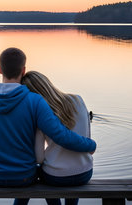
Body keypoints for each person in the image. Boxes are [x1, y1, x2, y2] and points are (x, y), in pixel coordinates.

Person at [0, 48, 96, 205]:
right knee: (34, 173)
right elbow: (59, 134)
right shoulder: (35, 101)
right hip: (24, 176)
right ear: (23, 71)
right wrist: (90, 145)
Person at [21, 71, 94, 205]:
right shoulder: (78, 99)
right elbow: (87, 137)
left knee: (36, 174)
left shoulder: (41, 113)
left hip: (56, 177)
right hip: (85, 172)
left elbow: (39, 158)